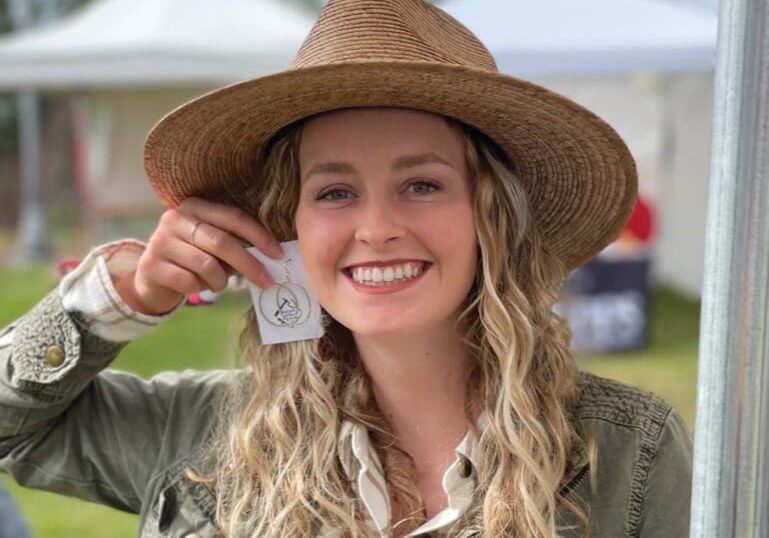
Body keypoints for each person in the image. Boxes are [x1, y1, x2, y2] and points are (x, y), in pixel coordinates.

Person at [0, 0, 692, 536]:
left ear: (492, 219)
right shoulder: (203, 433)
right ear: (285, 227)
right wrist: (122, 295)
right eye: (334, 192)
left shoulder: (630, 452)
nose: (378, 228)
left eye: (421, 184)